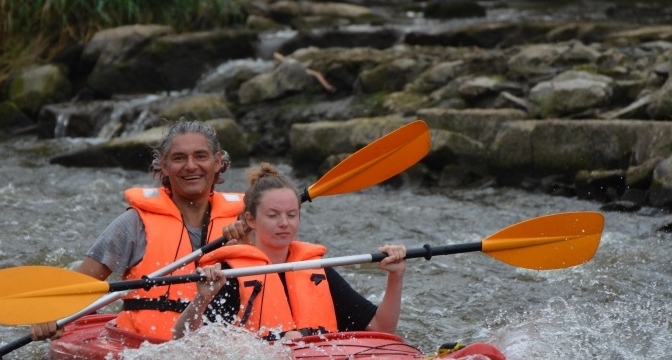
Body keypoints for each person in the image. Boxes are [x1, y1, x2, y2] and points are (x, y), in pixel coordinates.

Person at [30, 119, 247, 342]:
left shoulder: (245, 224)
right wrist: (51, 318)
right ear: (163, 165)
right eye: (179, 158)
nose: (191, 166)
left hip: (225, 351)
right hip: (143, 350)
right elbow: (78, 291)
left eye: (200, 156)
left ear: (218, 161)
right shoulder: (134, 224)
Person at [173, 163, 407, 341]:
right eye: (273, 215)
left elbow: (381, 329)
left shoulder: (315, 270)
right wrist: (202, 298)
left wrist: (395, 277)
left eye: (292, 215)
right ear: (251, 220)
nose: (284, 223)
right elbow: (182, 341)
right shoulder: (230, 275)